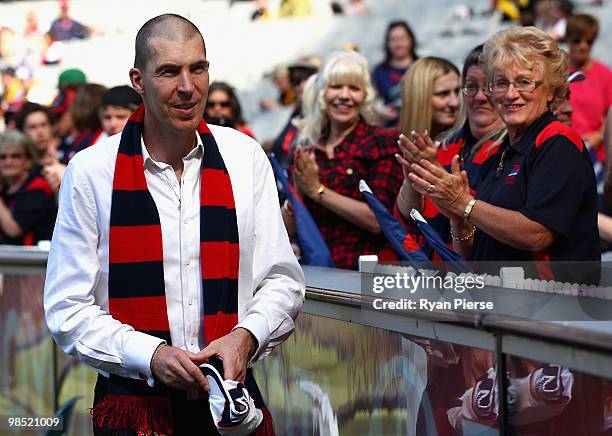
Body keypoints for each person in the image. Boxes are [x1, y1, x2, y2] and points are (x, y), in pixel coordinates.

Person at [43, 13, 304, 435]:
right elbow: (67, 309)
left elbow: (282, 279)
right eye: (168, 71)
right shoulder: (91, 171)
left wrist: (246, 337)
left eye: (197, 68)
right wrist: (150, 356)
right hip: (132, 409)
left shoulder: (245, 157)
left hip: (232, 406)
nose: (187, 87)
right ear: (138, 79)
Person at [407, 26, 599, 283]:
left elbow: (537, 234)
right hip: (502, 305)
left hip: (554, 311)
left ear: (551, 90)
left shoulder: (558, 142)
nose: (510, 94)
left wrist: (465, 204)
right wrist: (458, 218)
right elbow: (474, 252)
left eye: (523, 82)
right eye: (500, 83)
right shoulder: (504, 151)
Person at [285, 50, 403, 269]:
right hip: (314, 274)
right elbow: (286, 228)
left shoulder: (382, 142)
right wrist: (297, 196)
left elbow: (378, 221)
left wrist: (317, 190)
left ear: (365, 96)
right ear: (323, 93)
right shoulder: (306, 148)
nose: (344, 96)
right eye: (336, 87)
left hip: (364, 274)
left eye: (354, 88)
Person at [395, 46, 506, 259]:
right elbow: (405, 219)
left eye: (490, 87)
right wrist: (412, 180)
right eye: (471, 87)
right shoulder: (441, 147)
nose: (480, 96)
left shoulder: (515, 150)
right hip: (429, 275)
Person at [566, 14, 612, 164]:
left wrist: (599, 135)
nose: (583, 46)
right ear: (567, 40)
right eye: (577, 40)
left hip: (596, 155)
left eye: (589, 41)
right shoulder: (556, 73)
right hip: (565, 148)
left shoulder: (605, 74)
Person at [0, 130, 56, 245]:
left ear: (28, 161)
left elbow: (14, 230)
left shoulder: (39, 189)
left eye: (16, 156)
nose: (8, 161)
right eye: (2, 157)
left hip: (35, 260)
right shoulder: (5, 189)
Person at [372, 20, 418, 126]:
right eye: (393, 40)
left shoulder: (422, 67)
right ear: (387, 43)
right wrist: (380, 112)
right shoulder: (379, 71)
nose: (399, 44)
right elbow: (369, 101)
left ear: (411, 40)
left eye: (402, 38)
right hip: (390, 127)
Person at [14, 102, 60, 166]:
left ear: (52, 127)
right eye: (33, 127)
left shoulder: (68, 159)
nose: (40, 132)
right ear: (22, 131)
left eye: (44, 125)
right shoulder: (17, 168)